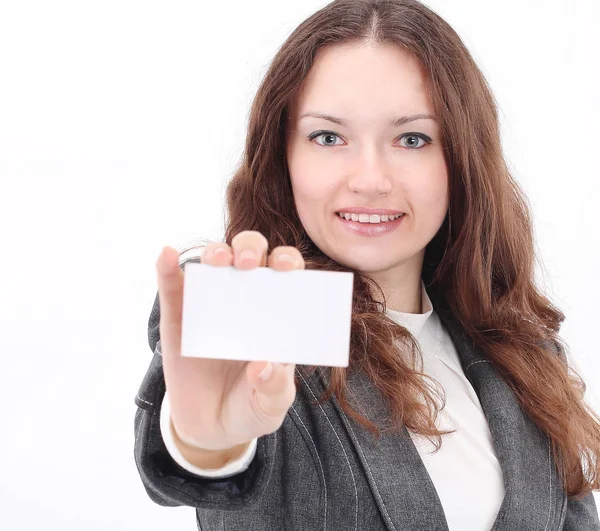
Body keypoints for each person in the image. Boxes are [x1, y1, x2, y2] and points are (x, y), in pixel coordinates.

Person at [133, 0, 600, 529]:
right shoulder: (259, 316)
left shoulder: (521, 355)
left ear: (460, 159)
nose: (370, 179)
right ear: (282, 156)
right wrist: (209, 447)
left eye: (412, 139)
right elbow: (198, 450)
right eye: (329, 138)